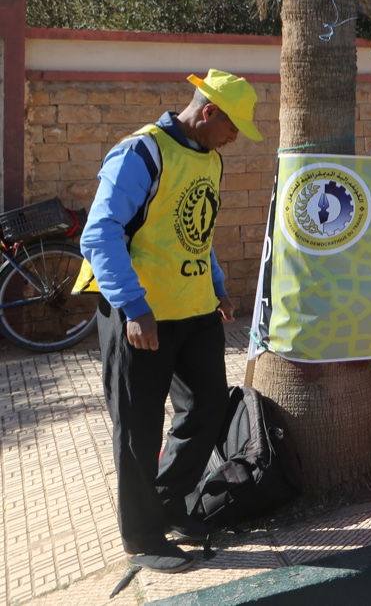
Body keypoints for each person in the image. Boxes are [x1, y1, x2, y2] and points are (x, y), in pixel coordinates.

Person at [75, 70, 260, 572]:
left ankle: (168, 504)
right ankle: (142, 536)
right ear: (207, 113)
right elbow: (101, 234)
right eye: (232, 126)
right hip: (141, 314)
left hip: (194, 308)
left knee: (205, 409)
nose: (235, 137)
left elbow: (199, 230)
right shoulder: (141, 153)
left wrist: (218, 286)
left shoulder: (210, 158)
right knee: (137, 427)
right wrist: (134, 307)